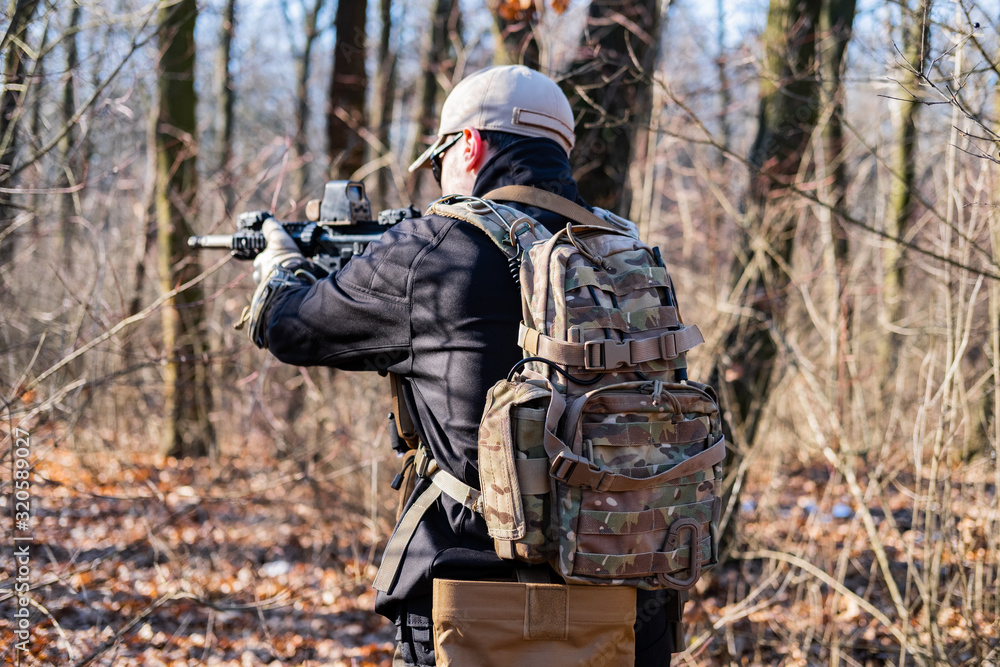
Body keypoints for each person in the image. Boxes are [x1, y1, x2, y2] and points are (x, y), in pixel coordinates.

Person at [248, 65, 680, 666]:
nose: (436, 182)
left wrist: (279, 266)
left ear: (470, 145)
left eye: (438, 161)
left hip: (479, 611)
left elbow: (290, 326)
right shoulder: (630, 255)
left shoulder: (434, 250)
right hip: (633, 608)